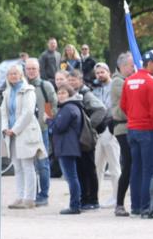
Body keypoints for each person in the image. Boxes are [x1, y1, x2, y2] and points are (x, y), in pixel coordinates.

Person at [122, 50, 153, 217]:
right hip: (148, 130)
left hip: (132, 129)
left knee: (136, 168)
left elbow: (123, 105)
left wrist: (133, 117)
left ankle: (135, 206)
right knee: (148, 169)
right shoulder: (151, 81)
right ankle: (146, 207)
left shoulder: (129, 80)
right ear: (151, 63)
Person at [1, 64, 47, 210]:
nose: (13, 76)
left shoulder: (28, 90)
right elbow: (3, 112)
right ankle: (20, 196)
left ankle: (30, 198)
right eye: (10, 74)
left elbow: (28, 113)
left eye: (15, 73)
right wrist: (5, 128)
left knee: (28, 166)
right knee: (17, 166)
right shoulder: (7, 93)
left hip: (25, 132)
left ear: (21, 75)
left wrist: (14, 129)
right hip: (11, 133)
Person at [68, 69, 106, 209]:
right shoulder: (71, 95)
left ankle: (93, 200)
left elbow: (101, 109)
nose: (71, 82)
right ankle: (84, 198)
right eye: (70, 80)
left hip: (86, 138)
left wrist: (89, 126)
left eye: (74, 80)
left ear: (81, 81)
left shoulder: (86, 94)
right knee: (80, 169)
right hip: (77, 139)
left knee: (89, 168)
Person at [47, 85, 84, 215]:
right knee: (72, 177)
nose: (61, 95)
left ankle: (75, 205)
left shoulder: (68, 108)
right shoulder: (71, 107)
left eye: (64, 93)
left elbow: (59, 127)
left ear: (69, 94)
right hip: (68, 146)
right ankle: (76, 203)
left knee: (71, 177)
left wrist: (49, 121)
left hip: (67, 147)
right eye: (59, 93)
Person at [25, 57, 57, 208]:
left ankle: (43, 194)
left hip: (41, 130)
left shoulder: (45, 86)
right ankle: (31, 193)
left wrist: (47, 120)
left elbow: (51, 103)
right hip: (24, 132)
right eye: (28, 69)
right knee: (27, 164)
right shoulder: (22, 86)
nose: (31, 71)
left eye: (33, 69)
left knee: (42, 164)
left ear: (38, 70)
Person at [90, 62, 122, 204]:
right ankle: (94, 196)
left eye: (102, 72)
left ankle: (117, 197)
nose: (100, 75)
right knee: (97, 166)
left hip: (111, 128)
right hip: (98, 131)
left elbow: (109, 107)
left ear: (108, 72)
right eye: (97, 73)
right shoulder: (94, 89)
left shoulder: (114, 86)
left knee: (114, 166)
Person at [109, 52, 135, 217]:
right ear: (124, 66)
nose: (133, 68)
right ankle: (119, 203)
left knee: (131, 165)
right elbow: (129, 103)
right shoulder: (119, 83)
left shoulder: (126, 81)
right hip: (123, 128)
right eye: (132, 66)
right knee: (128, 165)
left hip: (131, 127)